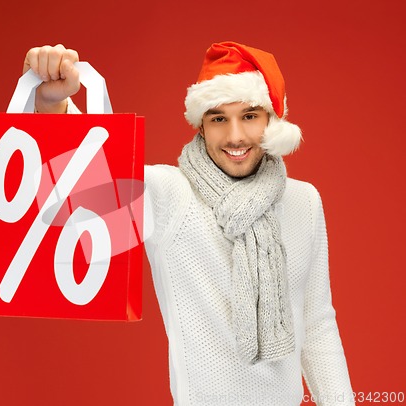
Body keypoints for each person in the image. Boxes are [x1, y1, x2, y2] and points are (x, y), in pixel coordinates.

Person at [22, 42, 355, 405]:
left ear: (272, 120)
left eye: (249, 116)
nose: (235, 137)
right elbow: (83, 189)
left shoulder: (303, 201)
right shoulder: (172, 194)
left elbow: (317, 323)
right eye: (218, 118)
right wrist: (53, 104)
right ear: (200, 125)